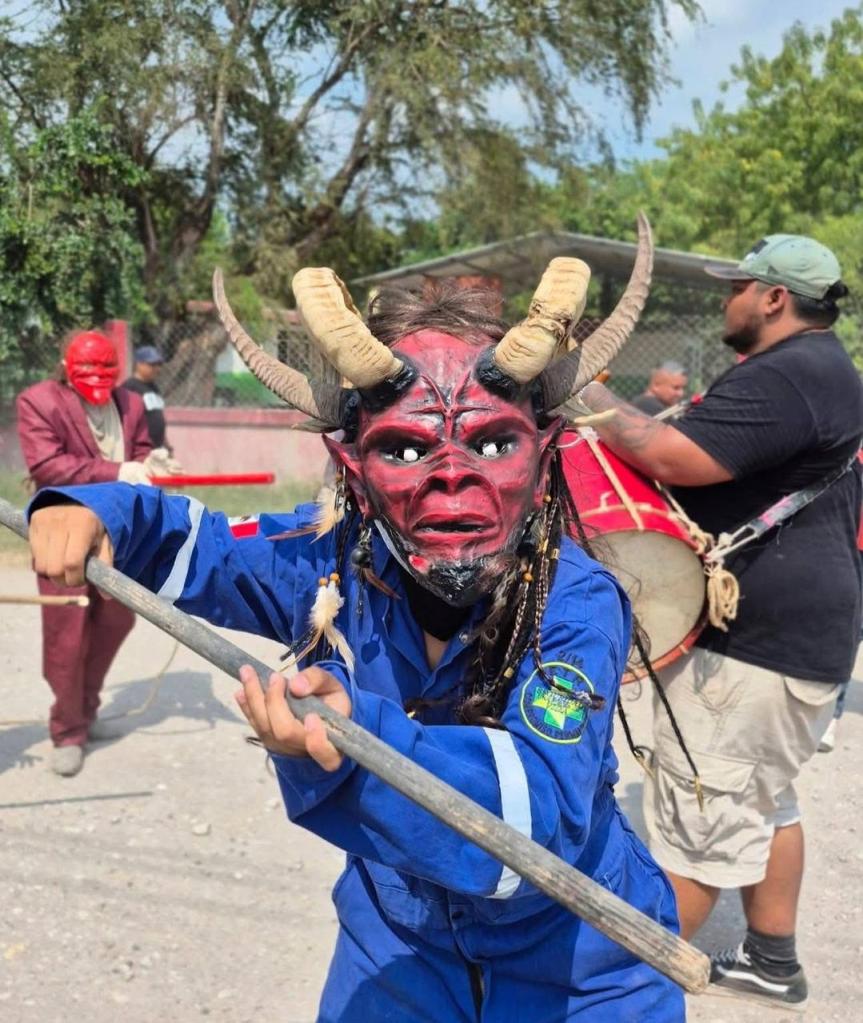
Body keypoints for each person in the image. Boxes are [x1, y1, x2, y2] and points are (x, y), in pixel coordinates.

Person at [24, 230, 687, 1020]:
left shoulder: (574, 601)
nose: (451, 479)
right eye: (404, 449)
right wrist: (93, 508)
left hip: (580, 962)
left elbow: (531, 823)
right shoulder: (329, 563)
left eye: (492, 442)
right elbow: (198, 546)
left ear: (545, 457)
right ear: (355, 472)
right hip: (398, 949)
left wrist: (354, 736)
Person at [578, 233, 863, 1009]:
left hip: (757, 649)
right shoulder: (816, 370)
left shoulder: (791, 374)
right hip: (798, 640)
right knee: (764, 798)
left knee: (696, 824)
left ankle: (614, 994)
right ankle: (771, 961)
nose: (724, 300)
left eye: (735, 287)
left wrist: (582, 389)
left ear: (773, 297)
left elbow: (672, 456)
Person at [15, 330, 160, 776]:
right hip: (62, 530)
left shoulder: (130, 403)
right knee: (68, 633)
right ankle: (67, 730)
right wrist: (117, 469)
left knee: (117, 620)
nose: (98, 379)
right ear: (66, 365)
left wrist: (152, 464)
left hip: (117, 531)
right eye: (87, 370)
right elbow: (47, 466)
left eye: (105, 370)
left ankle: (87, 709)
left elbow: (141, 452)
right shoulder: (39, 401)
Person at [121, 344, 170, 450]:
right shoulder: (129, 387)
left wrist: (166, 445)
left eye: (159, 365)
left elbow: (158, 417)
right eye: (152, 365)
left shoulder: (154, 387)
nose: (157, 369)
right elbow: (124, 420)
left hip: (157, 447)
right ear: (139, 364)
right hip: (140, 448)